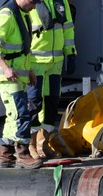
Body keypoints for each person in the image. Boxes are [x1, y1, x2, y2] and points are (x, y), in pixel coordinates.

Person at [0, 0, 44, 169]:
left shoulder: (22, 15)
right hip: (9, 77)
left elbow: (24, 49)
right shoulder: (7, 15)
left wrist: (30, 70)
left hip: (18, 76)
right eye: (33, 2)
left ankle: (6, 154)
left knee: (13, 116)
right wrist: (5, 68)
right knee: (22, 114)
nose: (34, 6)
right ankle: (23, 154)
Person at [27, 0, 77, 159]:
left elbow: (68, 27)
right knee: (33, 104)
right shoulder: (30, 3)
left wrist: (71, 52)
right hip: (35, 62)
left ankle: (44, 145)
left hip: (56, 62)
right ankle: (31, 146)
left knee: (52, 104)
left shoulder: (61, 2)